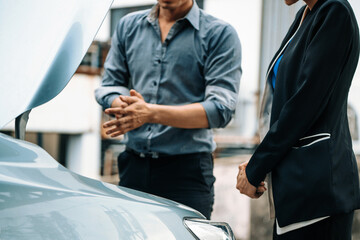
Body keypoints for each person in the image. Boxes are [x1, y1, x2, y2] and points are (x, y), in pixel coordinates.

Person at [95, 0, 242, 219]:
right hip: (133, 166)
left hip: (187, 174)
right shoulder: (128, 26)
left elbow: (220, 109)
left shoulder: (219, 34)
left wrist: (150, 113)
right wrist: (127, 106)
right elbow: (108, 86)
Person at [236, 0, 360, 239]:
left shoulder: (335, 12)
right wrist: (259, 164)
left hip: (318, 188)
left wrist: (257, 167)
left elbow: (304, 105)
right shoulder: (305, 15)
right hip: (294, 186)